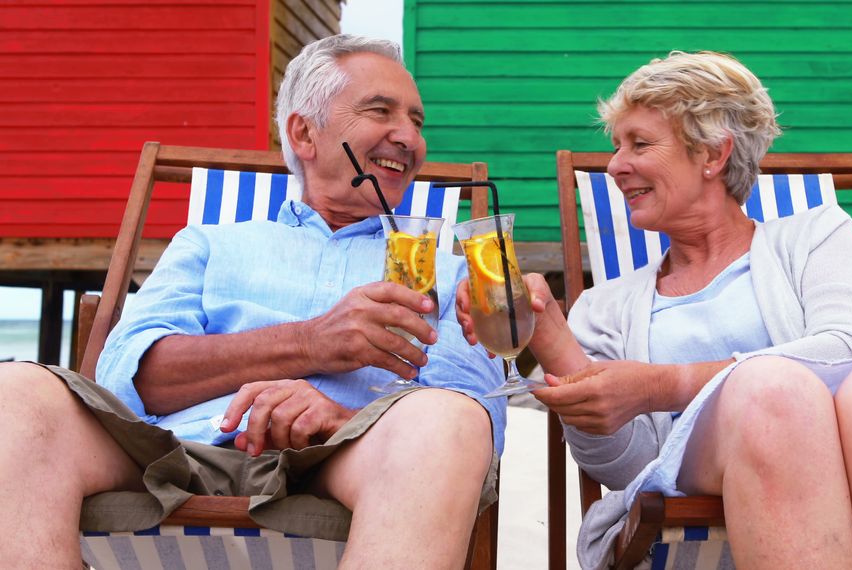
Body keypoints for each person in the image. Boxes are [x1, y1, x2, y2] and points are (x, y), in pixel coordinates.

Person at [457, 51, 852, 569]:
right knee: (771, 392)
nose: (614, 167)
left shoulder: (815, 235)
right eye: (615, 147)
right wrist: (554, 338)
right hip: (697, 504)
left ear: (710, 153)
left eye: (638, 144)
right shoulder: (608, 306)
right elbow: (627, 469)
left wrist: (661, 386)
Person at [0, 34, 505, 568]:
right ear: (304, 134)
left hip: (345, 463)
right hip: (174, 453)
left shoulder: (449, 276)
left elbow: (473, 419)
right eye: (380, 110)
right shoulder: (211, 243)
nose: (408, 137)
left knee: (448, 421)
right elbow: (128, 375)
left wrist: (345, 417)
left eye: (417, 122)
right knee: (16, 392)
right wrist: (311, 343)